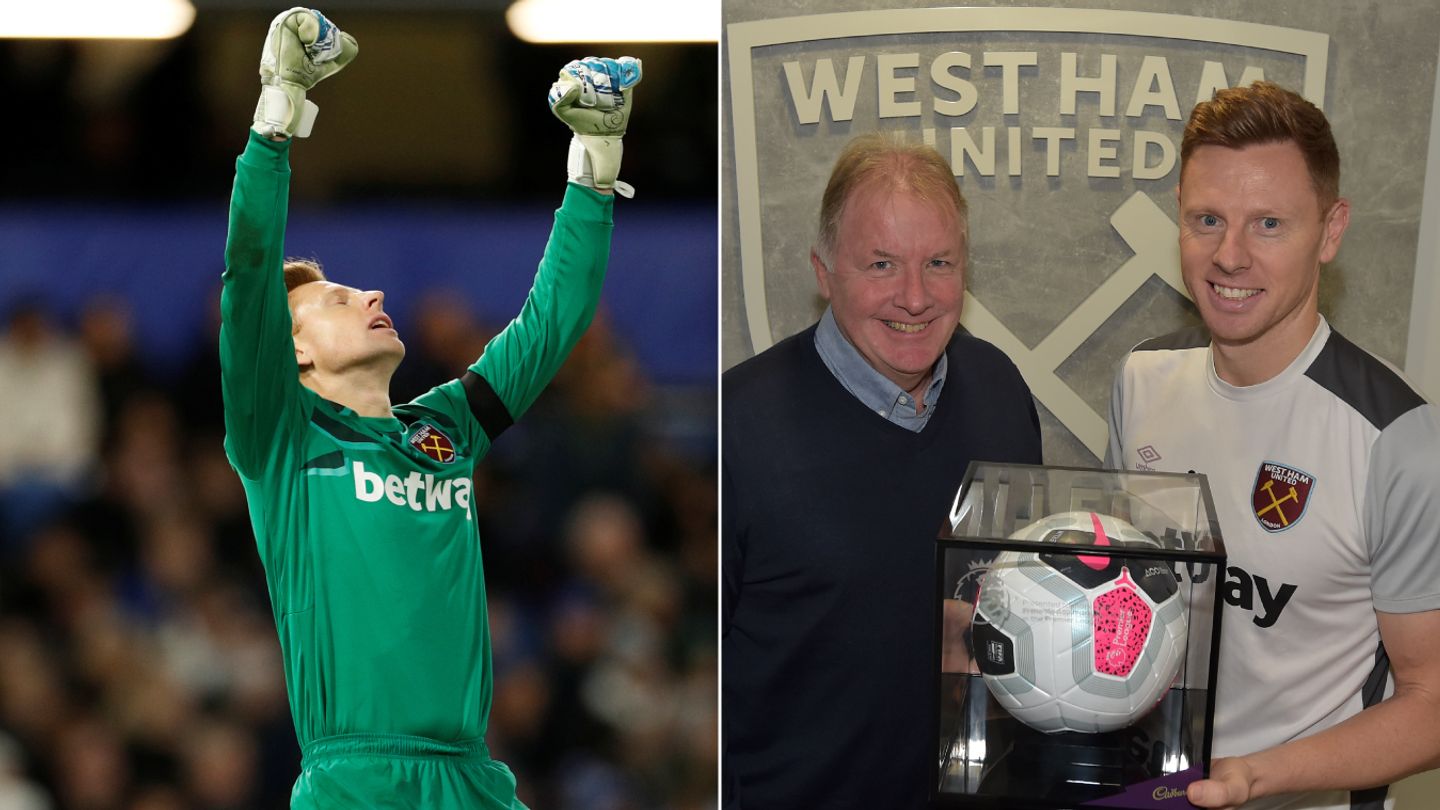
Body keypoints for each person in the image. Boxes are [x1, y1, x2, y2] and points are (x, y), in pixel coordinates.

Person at [220, 8, 640, 808]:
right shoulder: (282, 434)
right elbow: (248, 270)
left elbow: (552, 325)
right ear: (294, 351)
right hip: (356, 781)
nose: (372, 295)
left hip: (474, 780)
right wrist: (278, 111)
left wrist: (594, 166)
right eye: (339, 301)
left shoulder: (444, 429)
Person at [1106, 81, 1440, 810]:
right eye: (1207, 219)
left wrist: (1255, 775)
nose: (1229, 256)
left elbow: (1431, 701)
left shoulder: (1398, 442)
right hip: (1149, 788)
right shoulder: (1140, 381)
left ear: (1330, 230)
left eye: (1268, 225)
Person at [721, 132, 1043, 809]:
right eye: (881, 265)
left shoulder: (1002, 393)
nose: (915, 297)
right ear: (824, 271)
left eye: (939, 262)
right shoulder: (738, 429)